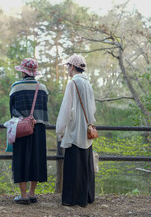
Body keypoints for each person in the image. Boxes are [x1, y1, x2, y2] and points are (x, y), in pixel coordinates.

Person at [56, 54, 96, 207]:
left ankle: (72, 198)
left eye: (67, 66)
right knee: (86, 164)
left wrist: (60, 129)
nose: (67, 69)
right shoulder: (88, 84)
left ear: (72, 67)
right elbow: (93, 108)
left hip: (74, 130)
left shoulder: (73, 83)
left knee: (74, 166)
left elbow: (67, 109)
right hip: (86, 129)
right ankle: (87, 196)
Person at [9, 58, 49, 205]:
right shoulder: (43, 88)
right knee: (36, 158)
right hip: (38, 127)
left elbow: (12, 109)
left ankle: (23, 194)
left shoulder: (16, 87)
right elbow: (44, 107)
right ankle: (32, 193)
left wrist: (21, 117)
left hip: (21, 127)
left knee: (21, 158)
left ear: (23, 72)